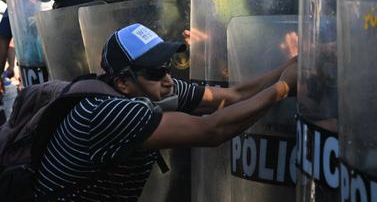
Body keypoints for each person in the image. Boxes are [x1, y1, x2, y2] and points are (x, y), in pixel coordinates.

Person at [34, 23, 297, 201]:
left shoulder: (154, 86)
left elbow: (232, 96)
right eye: (156, 71)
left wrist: (293, 66)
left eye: (167, 66)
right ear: (122, 82)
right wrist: (283, 88)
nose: (168, 79)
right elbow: (212, 130)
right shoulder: (109, 112)